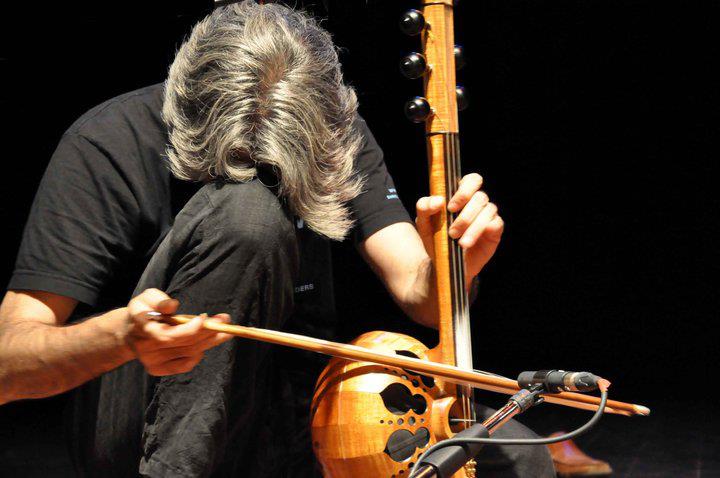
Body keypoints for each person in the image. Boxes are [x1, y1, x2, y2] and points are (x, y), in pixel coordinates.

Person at [0, 2, 554, 477]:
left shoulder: (331, 128)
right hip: (148, 425)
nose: (268, 175)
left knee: (517, 458)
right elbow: (7, 367)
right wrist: (120, 336)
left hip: (290, 414)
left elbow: (420, 294)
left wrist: (454, 265)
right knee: (248, 216)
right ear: (185, 108)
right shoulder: (107, 143)